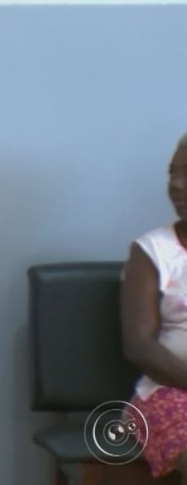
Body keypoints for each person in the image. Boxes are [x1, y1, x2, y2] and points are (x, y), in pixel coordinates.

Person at [121, 133, 187, 482]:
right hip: (168, 393)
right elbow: (138, 345)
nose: (176, 184)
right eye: (172, 173)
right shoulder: (153, 251)